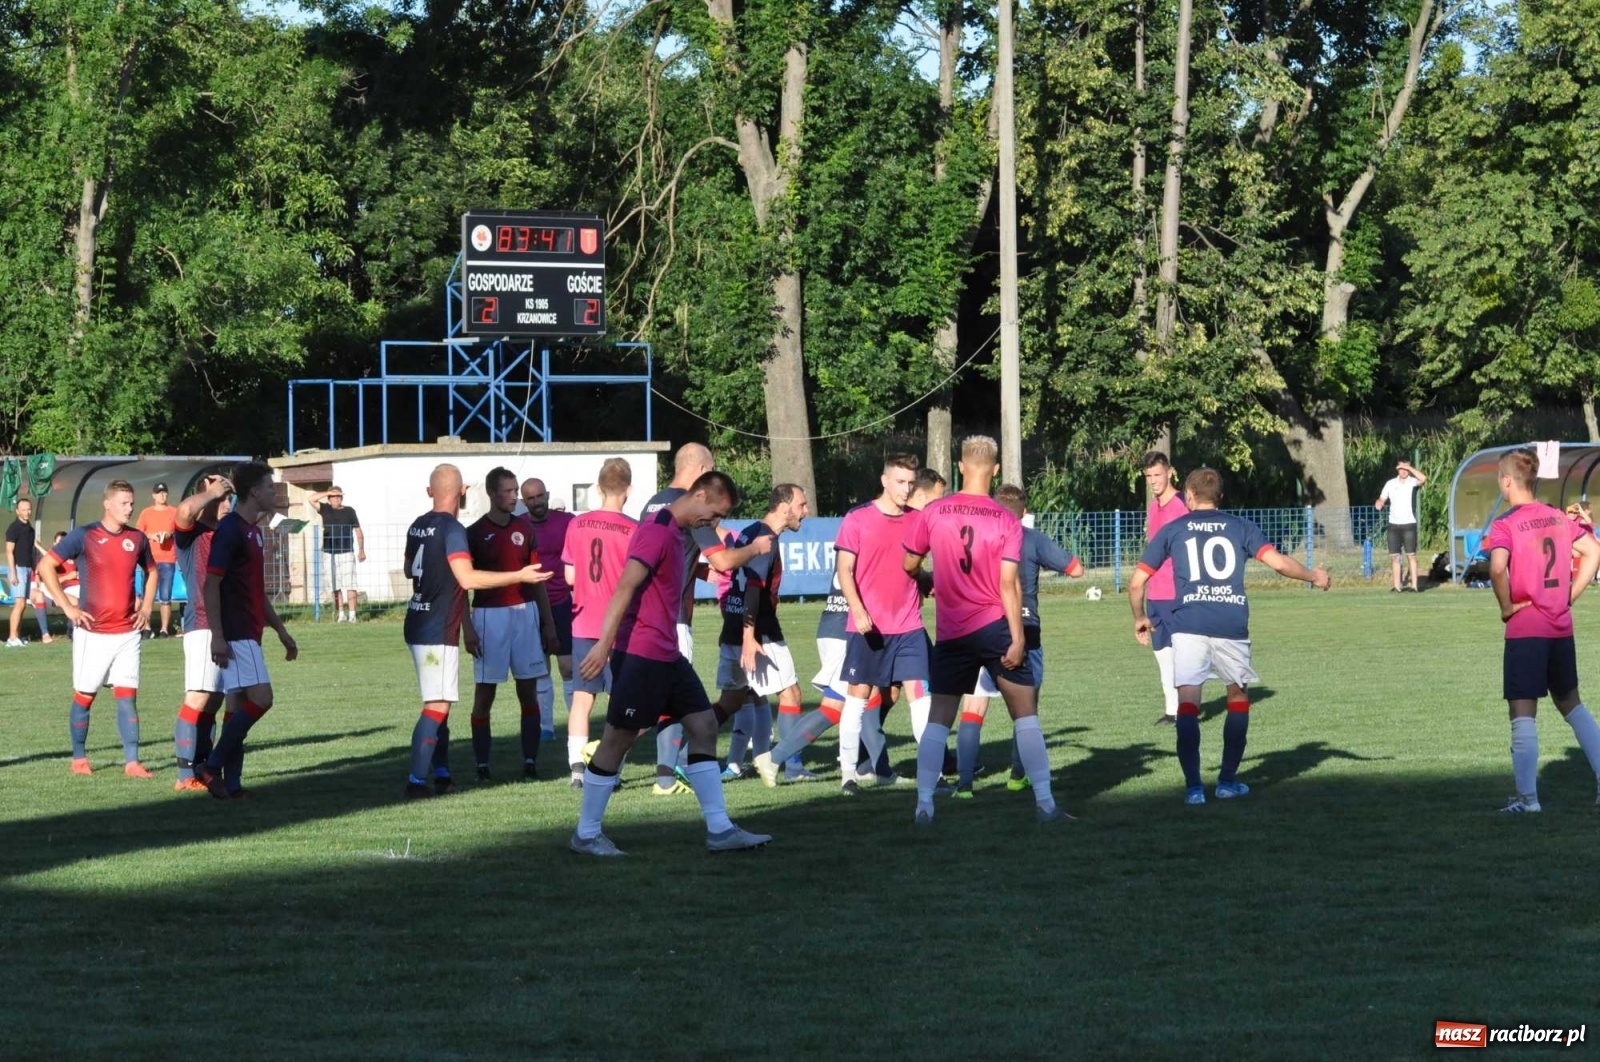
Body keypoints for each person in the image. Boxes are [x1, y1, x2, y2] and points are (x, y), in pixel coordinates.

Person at [570, 470, 771, 856]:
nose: (713, 525)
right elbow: (625, 587)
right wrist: (603, 645)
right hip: (642, 654)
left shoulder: (677, 533)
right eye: (713, 515)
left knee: (704, 724)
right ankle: (586, 833)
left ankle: (720, 829)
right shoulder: (656, 530)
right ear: (697, 495)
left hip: (667, 653)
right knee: (617, 739)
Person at [1129, 467, 1331, 805]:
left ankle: (1194, 788)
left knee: (1188, 703)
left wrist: (1139, 617)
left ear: (1188, 497)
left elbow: (1137, 583)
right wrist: (1315, 575)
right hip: (1230, 624)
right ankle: (1226, 782)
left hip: (1188, 625)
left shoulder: (1172, 530)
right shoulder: (1240, 527)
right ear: (1220, 497)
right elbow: (1279, 564)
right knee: (1237, 698)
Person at [904, 436, 1069, 826]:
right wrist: (1017, 638)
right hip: (994, 627)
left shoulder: (934, 512)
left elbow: (909, 564)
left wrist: (928, 576)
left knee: (939, 719)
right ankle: (1045, 804)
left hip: (952, 631)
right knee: (1025, 715)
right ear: (995, 471)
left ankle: (924, 805)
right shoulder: (1006, 519)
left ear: (960, 466)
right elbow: (1009, 584)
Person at [402, 464, 551, 799]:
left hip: (418, 620)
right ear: (464, 492)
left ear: (431, 492)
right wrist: (518, 576)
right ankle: (415, 782)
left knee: (438, 703)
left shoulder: (418, 525)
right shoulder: (455, 529)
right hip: (436, 627)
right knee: (437, 707)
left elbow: (411, 568)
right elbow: (467, 579)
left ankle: (441, 774)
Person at [641, 443, 771, 795]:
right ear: (699, 470)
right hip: (674, 617)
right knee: (674, 701)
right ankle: (667, 776)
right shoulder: (693, 509)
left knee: (659, 696)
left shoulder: (653, 503)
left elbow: (657, 555)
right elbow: (725, 561)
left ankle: (660, 768)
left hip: (647, 615)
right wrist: (755, 549)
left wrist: (695, 571)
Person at [951, 483, 1084, 797]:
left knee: (973, 708)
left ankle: (965, 784)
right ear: (1024, 513)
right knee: (1026, 712)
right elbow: (1077, 570)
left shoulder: (974, 537)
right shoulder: (1031, 538)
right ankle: (1016, 778)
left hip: (979, 629)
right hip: (1024, 632)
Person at [1486, 449, 1600, 813]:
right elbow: (1593, 553)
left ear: (1507, 481)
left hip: (1526, 628)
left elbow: (1497, 568)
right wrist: (1569, 594)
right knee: (1573, 706)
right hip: (1560, 627)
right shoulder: (1556, 516)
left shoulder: (1505, 523)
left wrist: (1506, 607)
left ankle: (1527, 800)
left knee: (1522, 712)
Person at [191, 463, 300, 800]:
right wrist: (219, 637)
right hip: (236, 633)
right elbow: (211, 585)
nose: (273, 493)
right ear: (254, 491)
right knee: (262, 699)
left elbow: (256, 590)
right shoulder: (231, 530)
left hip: (250, 632)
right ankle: (210, 766)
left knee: (236, 707)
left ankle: (232, 785)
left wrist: (281, 630)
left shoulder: (253, 531)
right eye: (270, 487)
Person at [36, 479, 159, 776]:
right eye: (124, 503)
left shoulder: (137, 539)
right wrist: (67, 606)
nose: (130, 508)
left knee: (128, 696)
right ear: (108, 504)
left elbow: (152, 571)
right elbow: (45, 567)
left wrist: (145, 608)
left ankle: (132, 762)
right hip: (94, 633)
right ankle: (79, 758)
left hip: (128, 633)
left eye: (131, 503)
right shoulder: (84, 535)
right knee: (85, 695)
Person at [708, 484, 817, 786]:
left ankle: (686, 753)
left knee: (731, 700)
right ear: (783, 507)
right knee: (791, 693)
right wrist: (749, 637)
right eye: (801, 505)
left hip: (732, 626)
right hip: (758, 632)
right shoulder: (765, 538)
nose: (805, 511)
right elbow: (753, 589)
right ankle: (790, 764)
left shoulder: (750, 530)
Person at [468, 468, 557, 781]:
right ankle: (482, 765)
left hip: (524, 614)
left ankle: (530, 762)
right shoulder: (474, 532)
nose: (514, 496)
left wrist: (548, 623)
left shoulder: (524, 529)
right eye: (507, 491)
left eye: (515, 490)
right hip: (488, 616)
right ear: (492, 493)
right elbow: (462, 583)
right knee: (485, 693)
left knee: (528, 690)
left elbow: (536, 580)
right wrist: (467, 627)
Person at [561, 458, 636, 787]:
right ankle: (608, 769)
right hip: (618, 628)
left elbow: (569, 575)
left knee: (581, 698)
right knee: (619, 701)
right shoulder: (634, 529)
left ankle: (577, 767)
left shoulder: (577, 525)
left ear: (598, 488)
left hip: (583, 624)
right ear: (629, 490)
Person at [171, 474, 238, 792]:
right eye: (221, 499)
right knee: (197, 698)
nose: (226, 504)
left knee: (214, 700)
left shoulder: (228, 536)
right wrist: (211, 492)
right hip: (200, 626)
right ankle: (184, 776)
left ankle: (202, 767)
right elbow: (183, 511)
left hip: (226, 628)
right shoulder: (191, 534)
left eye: (228, 498)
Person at [521, 477, 575, 743]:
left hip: (563, 602)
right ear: (523, 501)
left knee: (567, 667)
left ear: (547, 495)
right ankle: (547, 728)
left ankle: (574, 728)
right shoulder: (519, 527)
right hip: (531, 607)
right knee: (540, 669)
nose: (536, 502)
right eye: (530, 498)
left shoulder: (567, 522)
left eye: (539, 496)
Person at [1143, 451, 1187, 725]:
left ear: (1170, 472)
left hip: (1176, 593)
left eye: (1157, 475)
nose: (1153, 481)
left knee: (1184, 652)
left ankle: (1186, 708)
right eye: (1148, 476)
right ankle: (1172, 710)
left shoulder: (1183, 505)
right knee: (1162, 653)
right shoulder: (1152, 507)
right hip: (1154, 594)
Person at [305, 486, 365, 621]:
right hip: (329, 552)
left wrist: (361, 550)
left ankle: (352, 615)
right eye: (333, 496)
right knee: (334, 585)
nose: (336, 499)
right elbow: (311, 499)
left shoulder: (349, 511)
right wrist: (328, 492)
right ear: (329, 498)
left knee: (350, 584)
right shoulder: (325, 508)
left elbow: (358, 531)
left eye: (338, 496)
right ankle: (341, 614)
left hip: (346, 551)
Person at [135, 482, 179, 637]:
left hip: (168, 558)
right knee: (147, 595)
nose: (162, 495)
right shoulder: (146, 513)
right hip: (149, 559)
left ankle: (164, 629)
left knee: (165, 596)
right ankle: (146, 627)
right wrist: (152, 536)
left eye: (165, 493)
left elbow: (179, 529)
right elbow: (139, 533)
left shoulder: (174, 511)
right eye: (159, 493)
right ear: (153, 495)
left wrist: (168, 534)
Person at [1376, 460, 1427, 592]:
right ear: (1397, 470)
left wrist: (1409, 467)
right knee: (1395, 557)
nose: (1403, 471)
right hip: (1393, 525)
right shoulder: (1390, 483)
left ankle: (1414, 586)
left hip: (1409, 524)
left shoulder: (1412, 482)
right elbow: (1382, 498)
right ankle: (1397, 585)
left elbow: (1423, 478)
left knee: (1411, 555)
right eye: (1401, 468)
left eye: (1406, 469)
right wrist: (1379, 503)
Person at [6, 498, 51, 645]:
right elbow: (9, 552)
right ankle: (12, 638)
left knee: (23, 604)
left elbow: (31, 552)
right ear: (17, 511)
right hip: (17, 569)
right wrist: (13, 573)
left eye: (28, 509)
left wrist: (35, 572)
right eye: (23, 509)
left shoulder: (30, 529)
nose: (27, 512)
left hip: (27, 569)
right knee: (19, 604)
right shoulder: (13, 528)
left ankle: (17, 636)